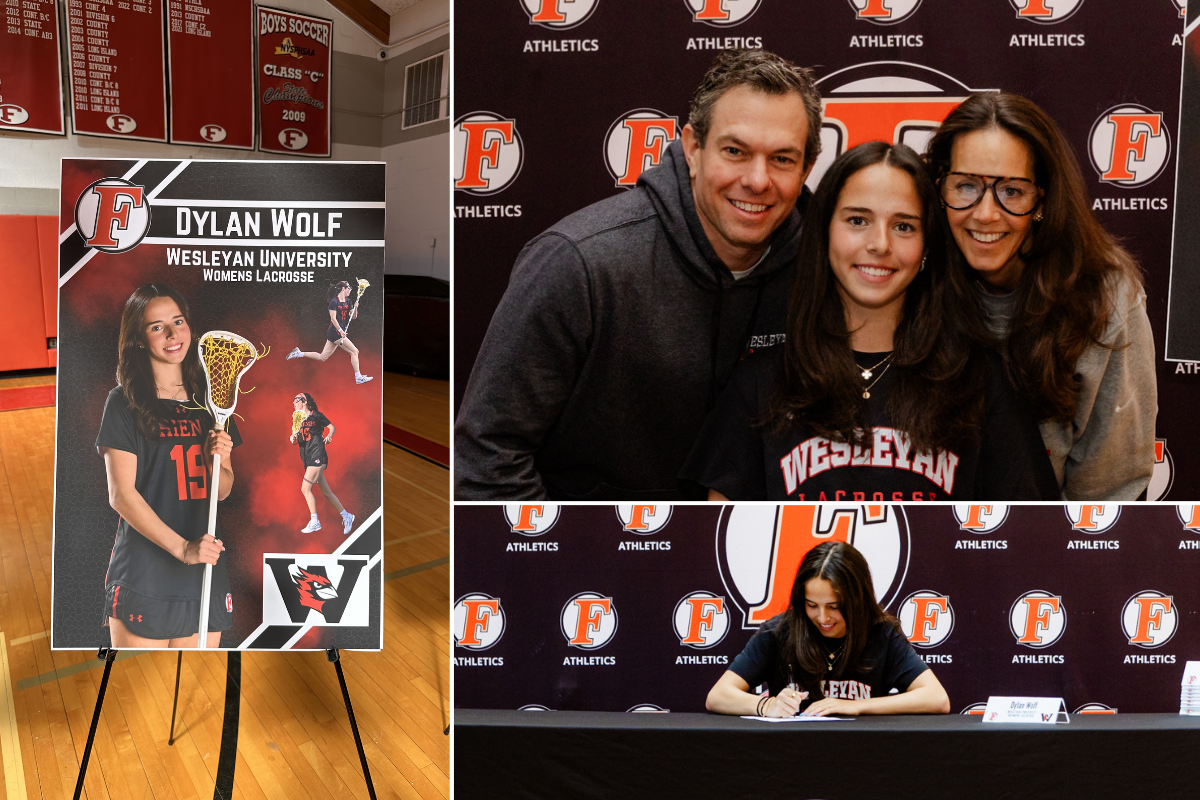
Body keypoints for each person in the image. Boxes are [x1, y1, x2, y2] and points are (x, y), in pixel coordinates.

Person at [454, 49, 824, 500]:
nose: (758, 180)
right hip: (588, 550)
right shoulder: (578, 262)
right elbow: (487, 455)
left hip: (746, 553)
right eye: (735, 151)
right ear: (692, 148)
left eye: (783, 159)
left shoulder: (826, 273)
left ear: (807, 168)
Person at [681, 142, 1058, 500]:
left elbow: (1024, 542)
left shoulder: (982, 380)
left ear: (928, 246)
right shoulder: (761, 384)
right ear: (824, 231)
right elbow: (721, 547)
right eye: (858, 220)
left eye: (904, 226)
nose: (880, 244)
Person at [926, 93, 1157, 500]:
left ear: (1042, 199)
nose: (984, 213)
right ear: (940, 184)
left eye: (1011, 191)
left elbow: (1108, 492)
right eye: (966, 186)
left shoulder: (1105, 296)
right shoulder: (914, 274)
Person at [97, 284, 240, 648]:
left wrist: (216, 462)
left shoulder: (212, 399)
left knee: (200, 690)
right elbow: (121, 495)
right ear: (139, 339)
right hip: (146, 569)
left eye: (178, 321)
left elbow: (222, 492)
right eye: (157, 326)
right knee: (142, 695)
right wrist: (182, 549)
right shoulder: (123, 402)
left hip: (204, 567)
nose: (173, 334)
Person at [706, 541, 950, 718]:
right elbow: (717, 696)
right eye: (812, 605)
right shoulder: (778, 631)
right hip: (790, 756)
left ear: (857, 601)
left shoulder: (881, 634)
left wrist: (855, 706)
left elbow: (937, 699)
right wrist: (766, 706)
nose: (822, 618)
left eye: (834, 607)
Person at [290, 391, 354, 535]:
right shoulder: (297, 419)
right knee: (326, 492)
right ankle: (346, 515)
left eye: (296, 400)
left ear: (304, 401)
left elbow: (332, 427)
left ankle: (315, 521)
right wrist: (293, 437)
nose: (294, 403)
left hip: (318, 455)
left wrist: (330, 435)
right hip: (308, 459)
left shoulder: (316, 415)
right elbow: (295, 441)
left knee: (305, 488)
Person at [286, 281, 373, 385]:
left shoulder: (349, 301)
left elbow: (353, 317)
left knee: (322, 357)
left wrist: (356, 308)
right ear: (343, 289)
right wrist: (340, 331)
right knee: (354, 351)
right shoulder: (334, 302)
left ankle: (298, 353)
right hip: (335, 332)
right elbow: (333, 319)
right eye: (348, 288)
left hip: (338, 333)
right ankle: (358, 377)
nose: (350, 290)